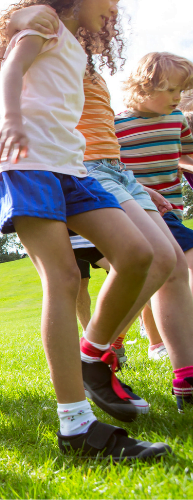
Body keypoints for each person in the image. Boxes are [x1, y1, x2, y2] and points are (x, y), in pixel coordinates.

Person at [0, 0, 169, 459]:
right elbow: (2, 69)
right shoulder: (44, 23)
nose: (115, 8)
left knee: (138, 254)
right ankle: (76, 425)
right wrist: (11, 117)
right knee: (63, 279)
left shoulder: (73, 46)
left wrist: (14, 25)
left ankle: (92, 353)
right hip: (28, 165)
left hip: (72, 169)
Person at [114, 52, 193, 409]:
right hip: (135, 213)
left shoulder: (177, 119)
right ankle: (109, 340)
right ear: (142, 87)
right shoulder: (116, 126)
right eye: (170, 89)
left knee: (165, 277)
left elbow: (188, 154)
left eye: (182, 90)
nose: (177, 97)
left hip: (171, 214)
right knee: (170, 271)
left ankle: (113, 338)